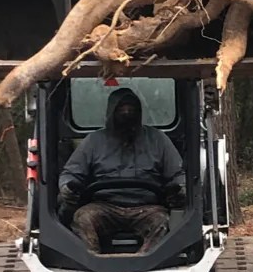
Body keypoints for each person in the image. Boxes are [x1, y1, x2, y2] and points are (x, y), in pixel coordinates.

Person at [58, 87, 186, 253]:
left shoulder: (158, 140)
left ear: (139, 112)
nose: (126, 113)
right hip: (103, 206)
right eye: (121, 109)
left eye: (131, 109)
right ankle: (92, 262)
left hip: (147, 207)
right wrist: (67, 187)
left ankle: (145, 262)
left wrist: (180, 188)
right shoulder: (93, 142)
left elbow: (178, 175)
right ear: (111, 111)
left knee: (162, 222)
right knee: (83, 218)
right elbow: (70, 173)